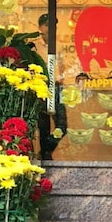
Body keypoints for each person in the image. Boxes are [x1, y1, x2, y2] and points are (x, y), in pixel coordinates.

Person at [36, 13, 66, 160]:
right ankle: (45, 155)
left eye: (53, 26)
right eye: (47, 25)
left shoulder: (58, 45)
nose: (50, 29)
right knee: (43, 125)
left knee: (62, 125)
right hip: (40, 86)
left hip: (57, 86)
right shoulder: (34, 46)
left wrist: (62, 83)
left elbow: (62, 67)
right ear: (40, 27)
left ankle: (47, 148)